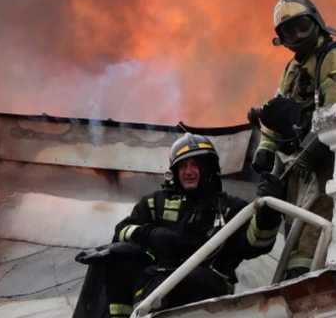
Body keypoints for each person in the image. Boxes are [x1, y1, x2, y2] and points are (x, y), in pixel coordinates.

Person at [74, 133, 285, 318]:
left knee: (191, 280)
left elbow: (257, 243)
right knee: (116, 255)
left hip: (206, 287)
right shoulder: (154, 203)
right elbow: (122, 230)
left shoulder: (230, 208)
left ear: (209, 168)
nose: (189, 171)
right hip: (154, 284)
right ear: (175, 172)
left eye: (195, 165)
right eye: (183, 166)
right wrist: (150, 234)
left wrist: (268, 214)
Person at [250, 0, 336, 280]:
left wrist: (300, 122)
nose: (298, 35)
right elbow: (279, 110)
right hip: (299, 166)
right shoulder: (292, 68)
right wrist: (266, 145)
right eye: (289, 32)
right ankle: (295, 278)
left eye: (302, 26)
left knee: (314, 227)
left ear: (317, 23)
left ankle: (304, 279)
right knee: (295, 229)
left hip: (327, 162)